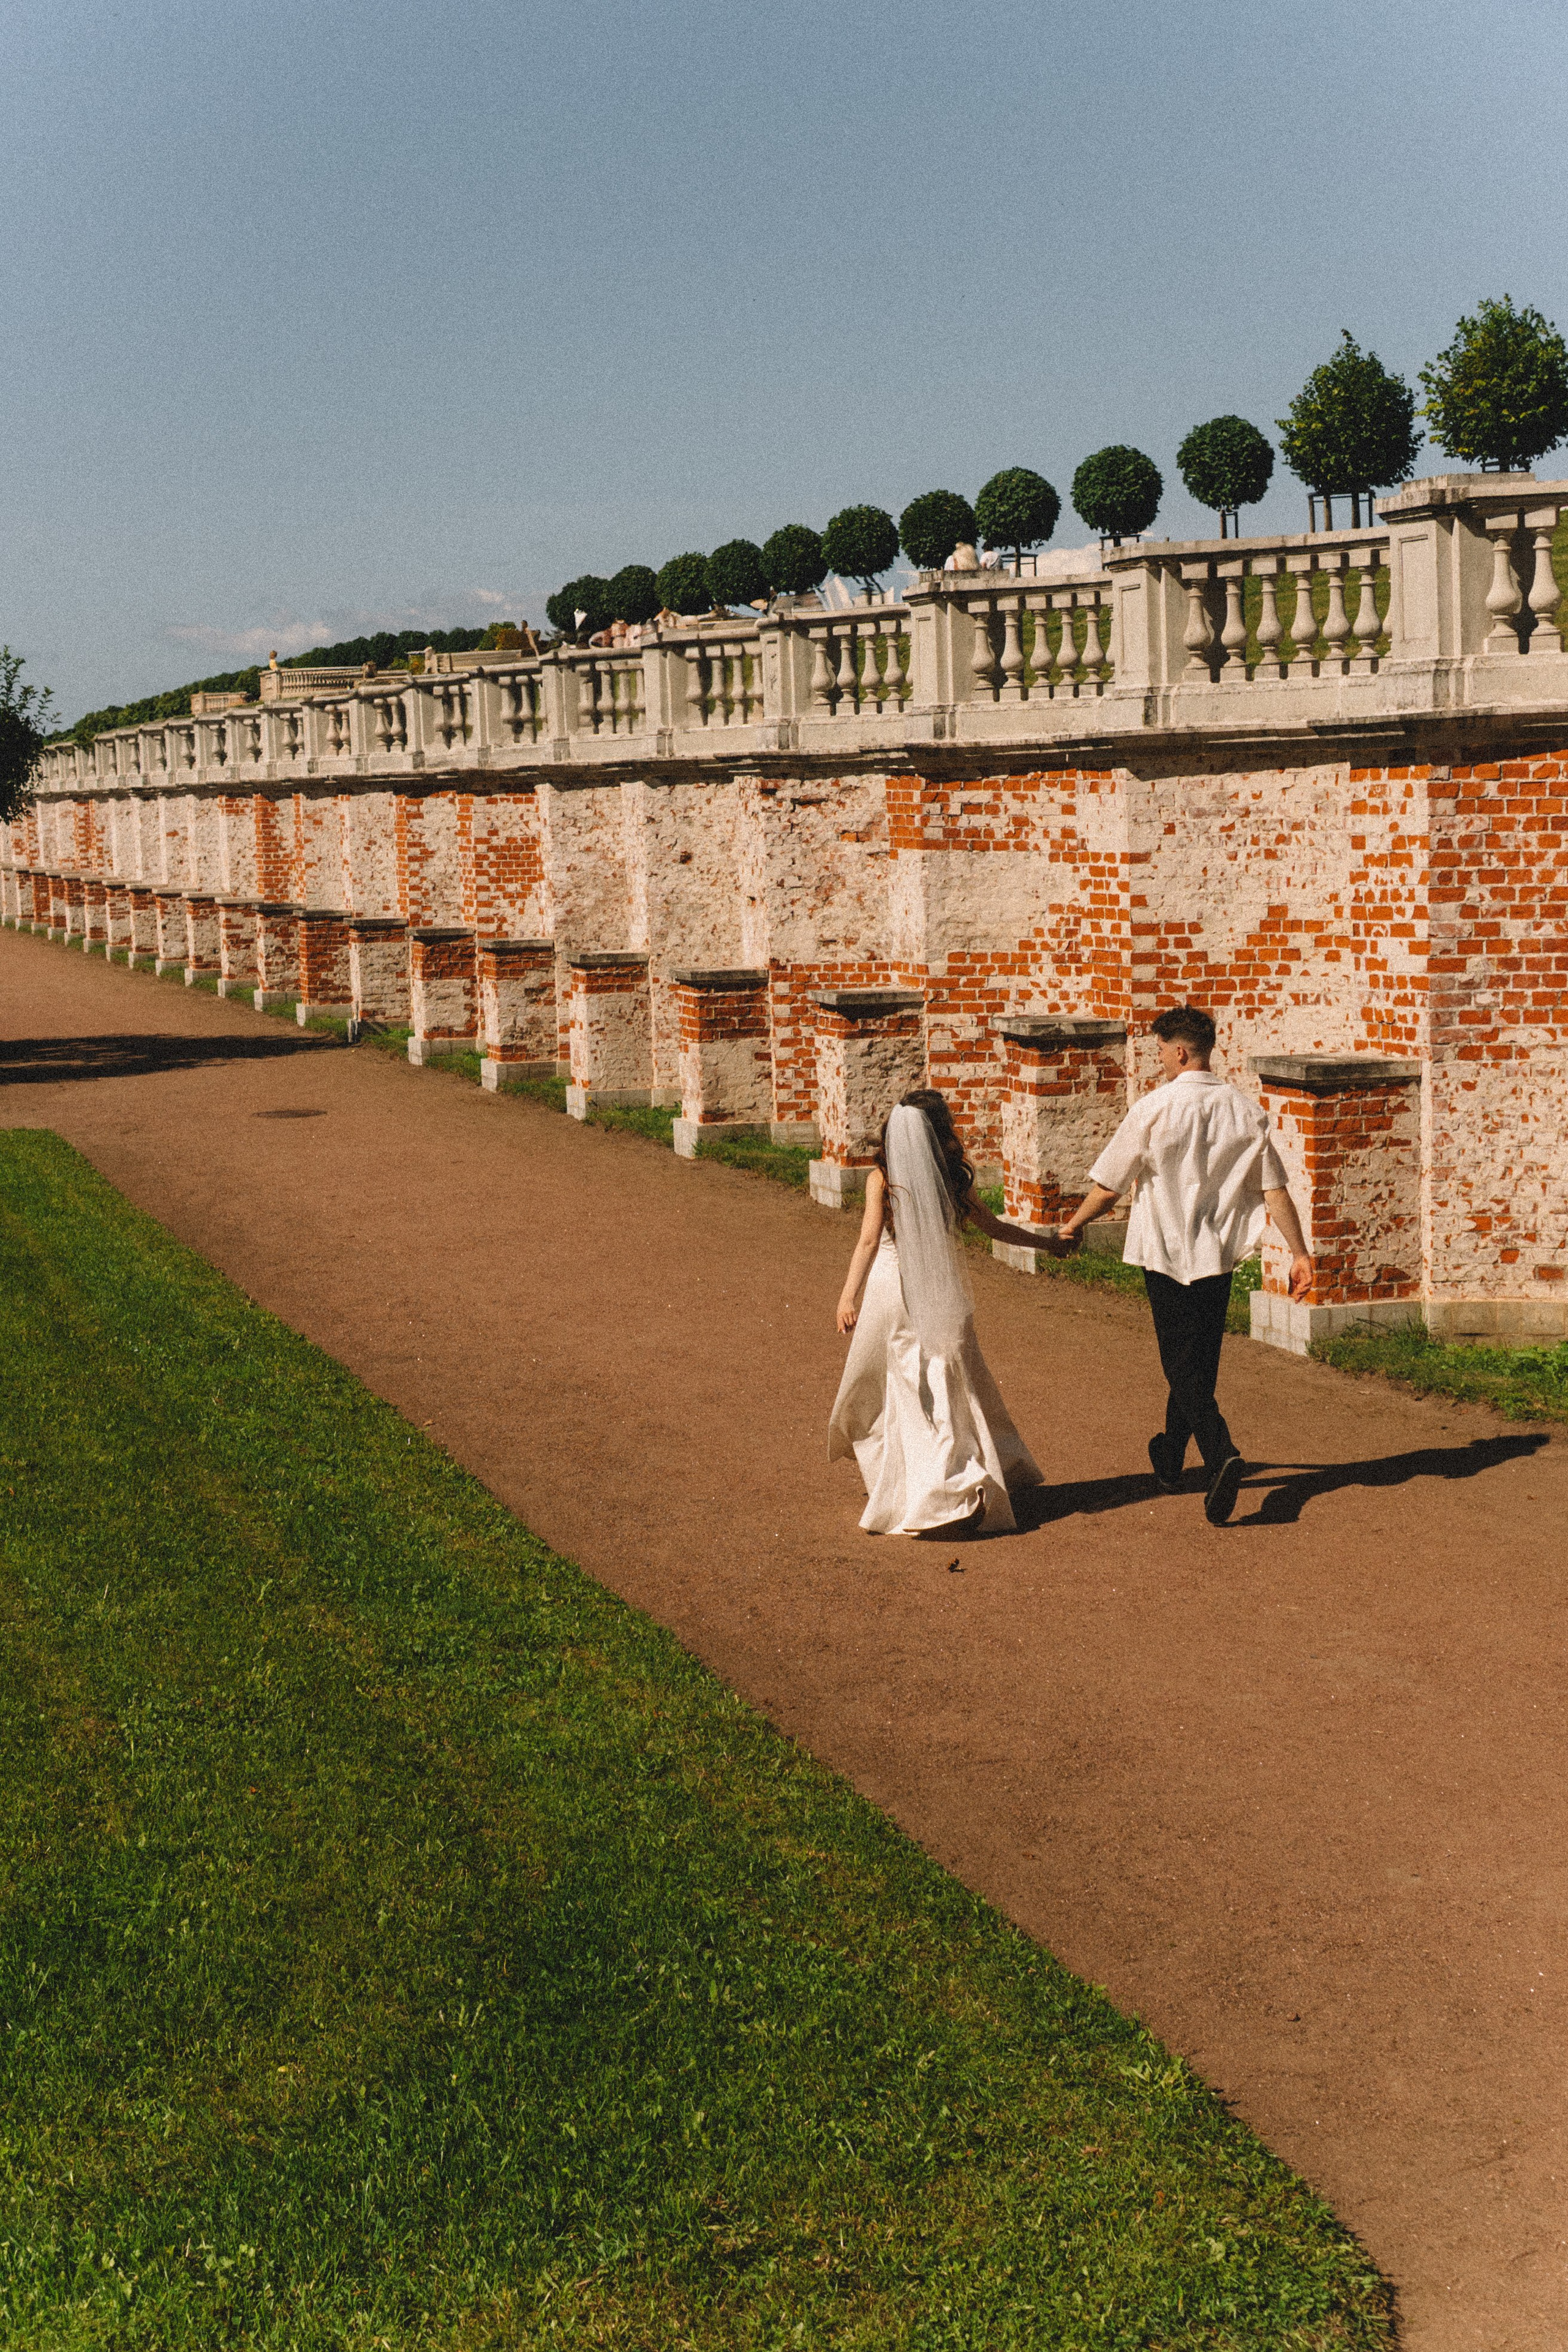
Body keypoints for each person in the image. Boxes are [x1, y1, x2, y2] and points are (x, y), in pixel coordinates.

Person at [1056, 1005, 1313, 1526]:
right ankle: (1172, 1454)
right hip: (1217, 1254)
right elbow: (1273, 1189)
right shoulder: (1246, 1111)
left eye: (1161, 1054)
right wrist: (1301, 1253)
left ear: (1178, 1051)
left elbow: (1109, 1188)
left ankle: (1222, 1455)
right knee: (1200, 1363)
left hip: (1166, 1252)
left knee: (1180, 1364)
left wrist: (1073, 1225)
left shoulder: (1152, 1108)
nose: (1160, 1063)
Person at [829, 1089, 1069, 1538]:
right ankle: (960, 1473)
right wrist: (1048, 1243)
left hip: (893, 1292)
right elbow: (994, 1227)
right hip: (942, 1291)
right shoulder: (951, 1178)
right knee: (952, 1382)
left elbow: (867, 1242)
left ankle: (937, 1488)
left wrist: (848, 1297)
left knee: (908, 1389)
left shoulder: (882, 1179)